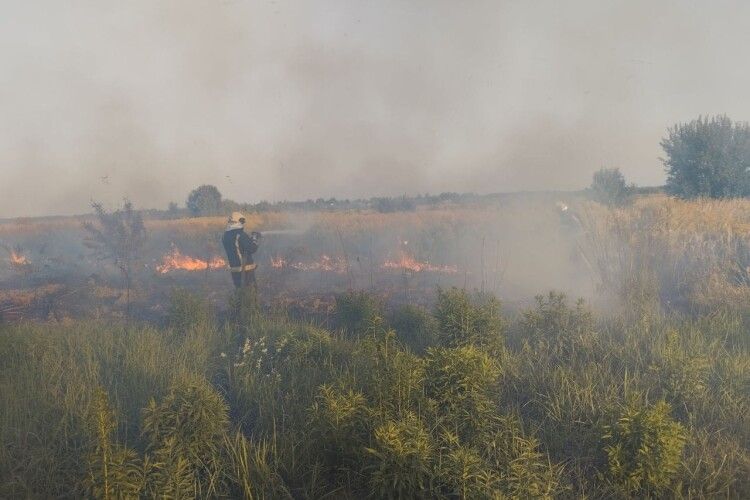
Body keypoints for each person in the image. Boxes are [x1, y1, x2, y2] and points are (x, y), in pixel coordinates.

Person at [221, 212, 261, 288]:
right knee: (250, 293)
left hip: (234, 271)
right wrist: (254, 238)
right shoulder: (240, 234)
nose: (242, 224)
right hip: (245, 271)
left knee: (239, 291)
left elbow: (239, 247)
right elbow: (252, 248)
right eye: (242, 222)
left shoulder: (225, 236)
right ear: (238, 222)